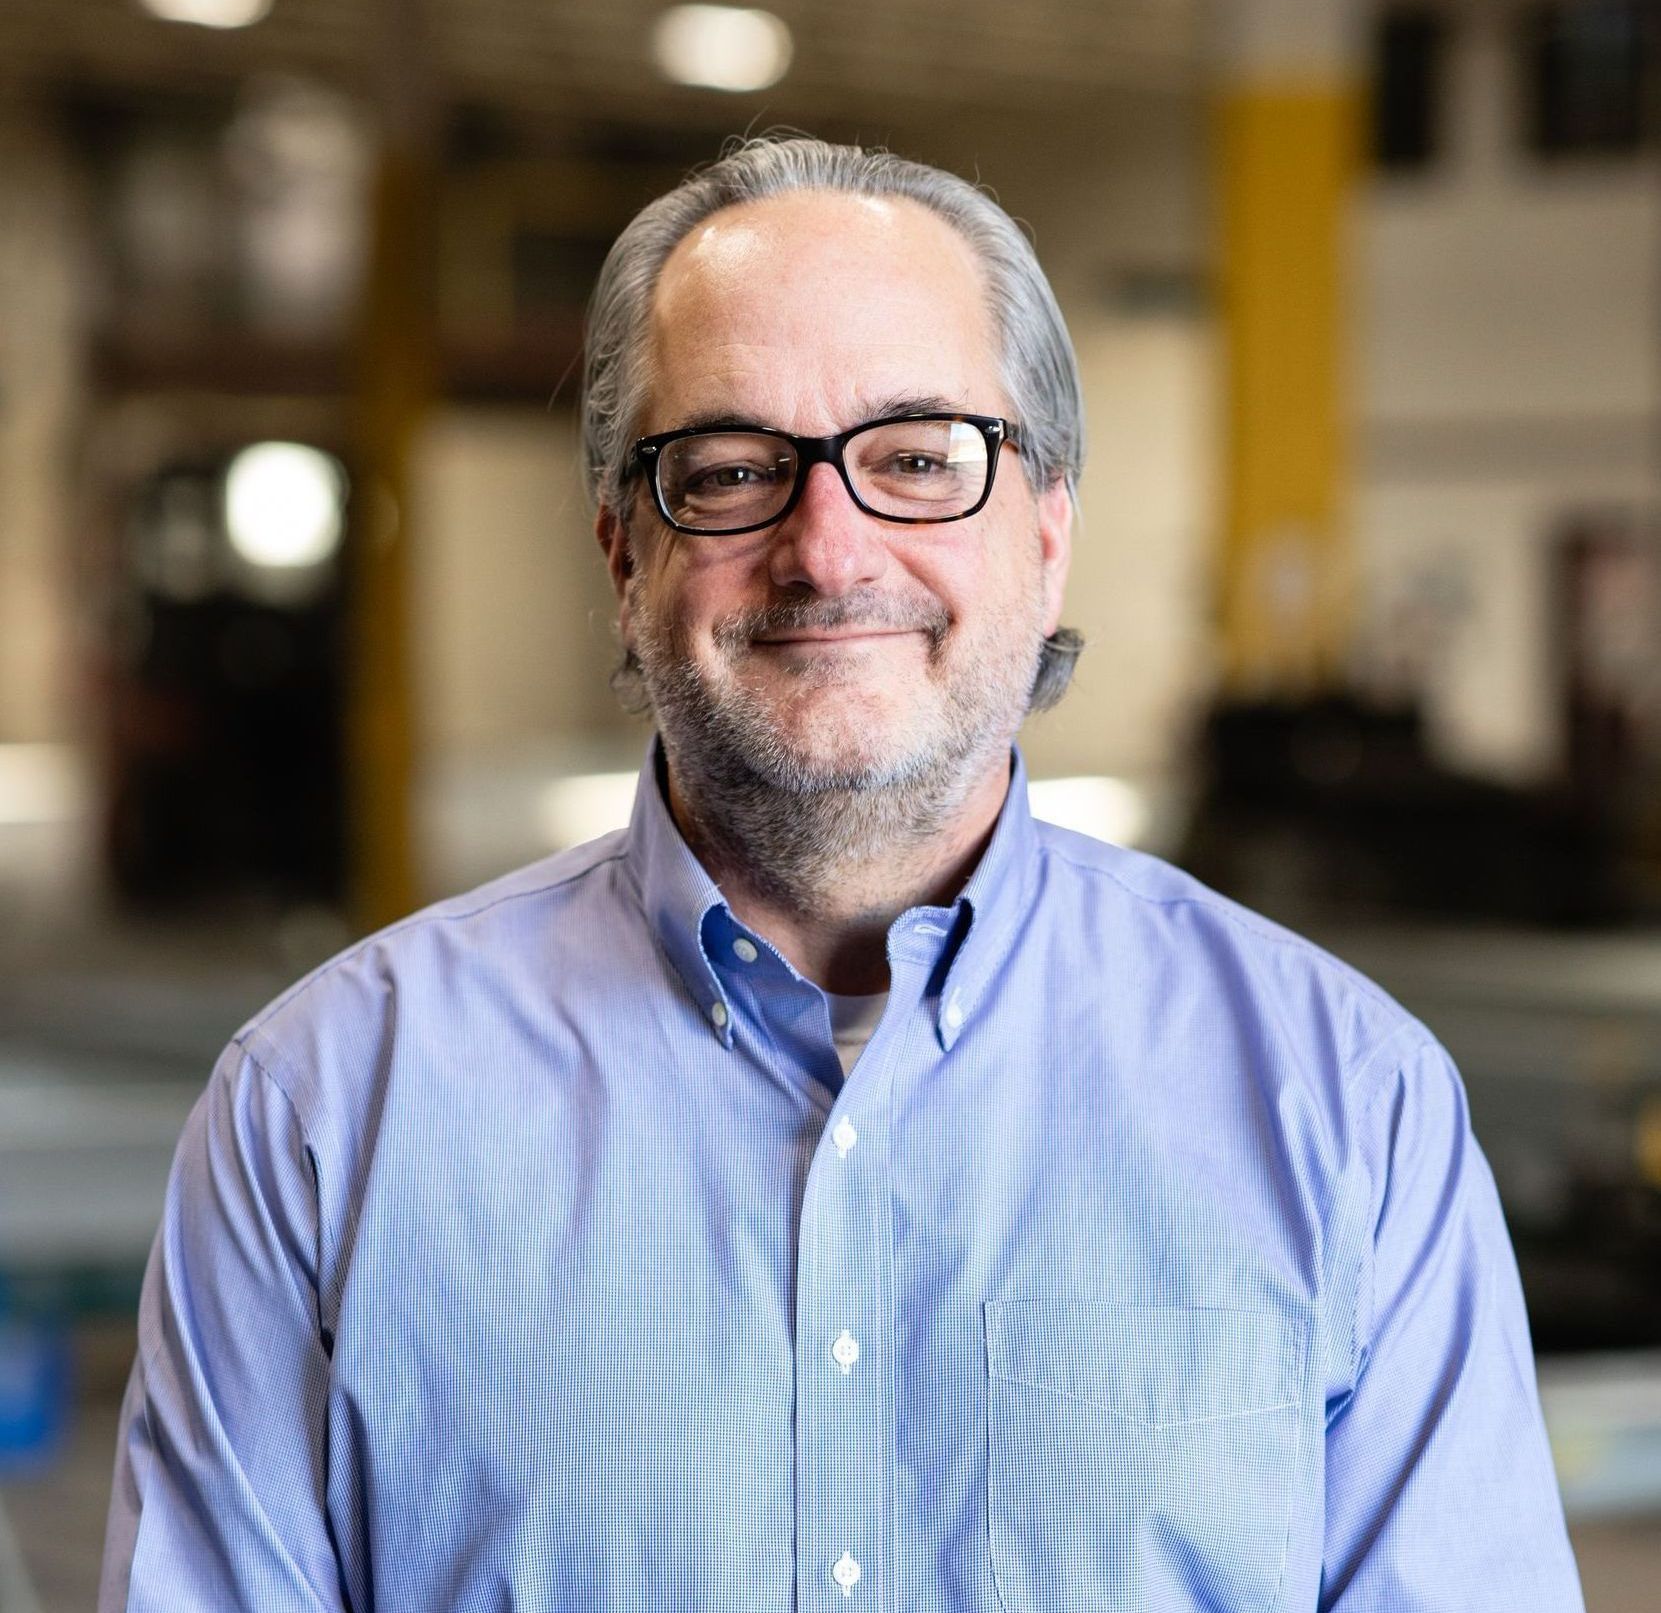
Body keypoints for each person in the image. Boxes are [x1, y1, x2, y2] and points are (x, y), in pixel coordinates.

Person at [100, 136, 1583, 1611]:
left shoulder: (1346, 1106)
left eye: (919, 458)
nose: (828, 544)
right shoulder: (320, 1115)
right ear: (624, 554)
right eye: (734, 468)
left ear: (1048, 536)